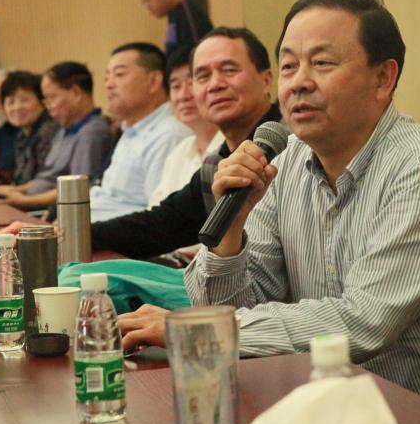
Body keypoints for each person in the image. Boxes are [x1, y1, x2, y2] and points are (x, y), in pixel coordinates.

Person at [118, 0, 420, 408]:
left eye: (322, 63)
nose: (299, 82)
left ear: (383, 79)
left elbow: (365, 322)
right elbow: (238, 306)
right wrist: (230, 234)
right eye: (289, 65)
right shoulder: (285, 161)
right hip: (335, 404)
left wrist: (200, 330)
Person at [87, 27, 281, 260]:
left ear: (266, 80)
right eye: (202, 76)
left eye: (229, 70)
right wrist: (79, 233)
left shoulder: (293, 144)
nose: (215, 84)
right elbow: (163, 225)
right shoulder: (215, 163)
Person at [89, 43, 187, 222]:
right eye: (106, 77)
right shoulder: (130, 130)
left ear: (154, 81)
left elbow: (157, 217)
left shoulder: (168, 135)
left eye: (119, 74)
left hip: (111, 237)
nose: (109, 84)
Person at [0, 61, 110, 211]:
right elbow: (49, 176)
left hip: (46, 210)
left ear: (76, 93)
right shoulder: (64, 129)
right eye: (46, 100)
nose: (48, 106)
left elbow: (78, 190)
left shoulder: (91, 133)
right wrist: (17, 190)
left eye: (52, 98)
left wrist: (25, 200)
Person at [148, 45, 223, 207]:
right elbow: (156, 210)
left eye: (191, 83)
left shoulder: (231, 147)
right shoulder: (178, 153)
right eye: (176, 86)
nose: (183, 96)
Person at [135, 0, 213, 56]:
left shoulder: (188, 14)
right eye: (143, 0)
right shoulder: (175, 15)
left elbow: (198, 56)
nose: (146, 5)